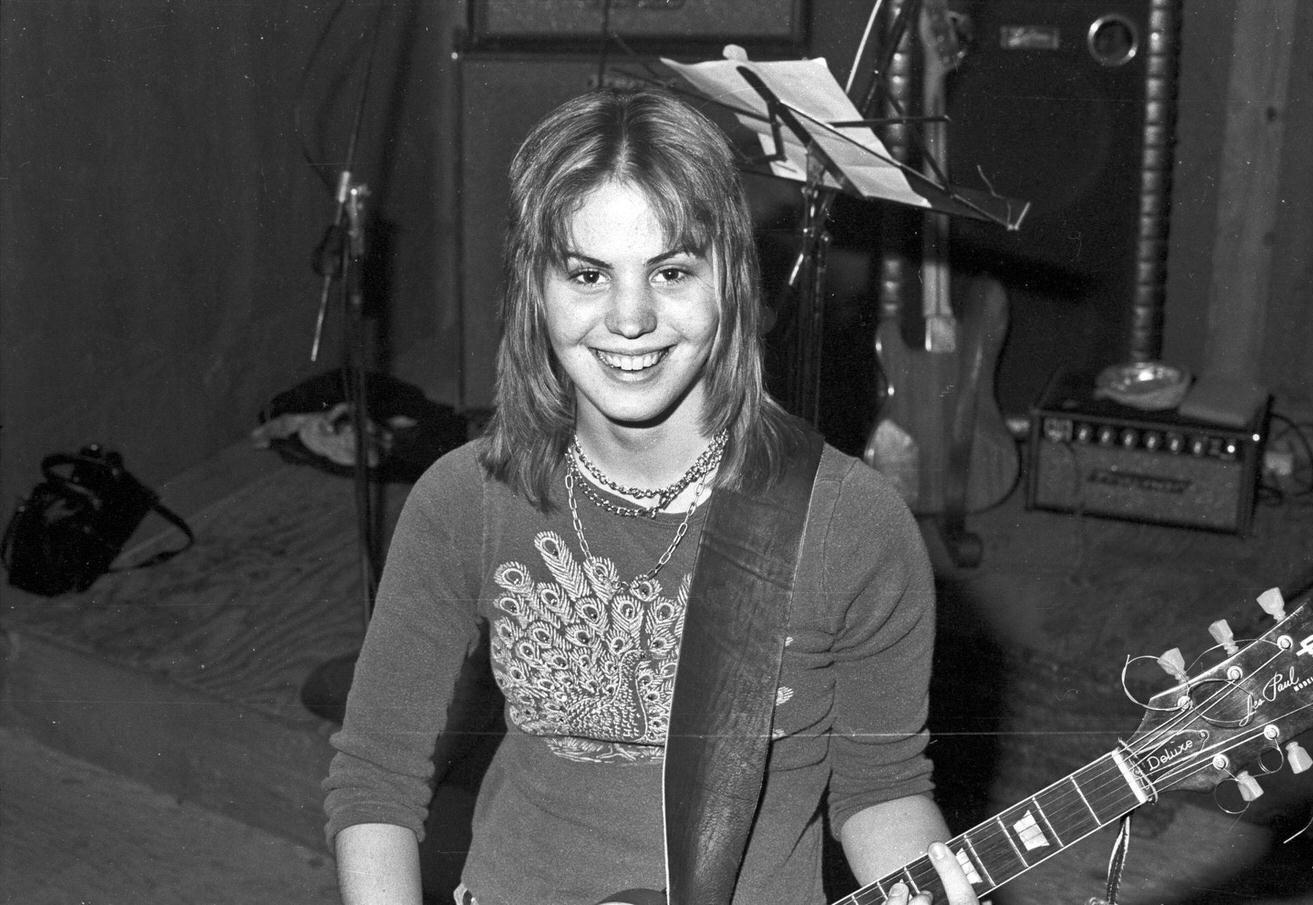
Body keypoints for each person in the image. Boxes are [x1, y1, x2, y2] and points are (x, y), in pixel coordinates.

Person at [323, 86, 978, 905]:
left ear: (730, 281)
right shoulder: (466, 499)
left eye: (671, 271)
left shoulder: (851, 525)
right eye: (588, 274)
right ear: (537, 289)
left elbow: (880, 786)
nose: (629, 319)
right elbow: (376, 776)